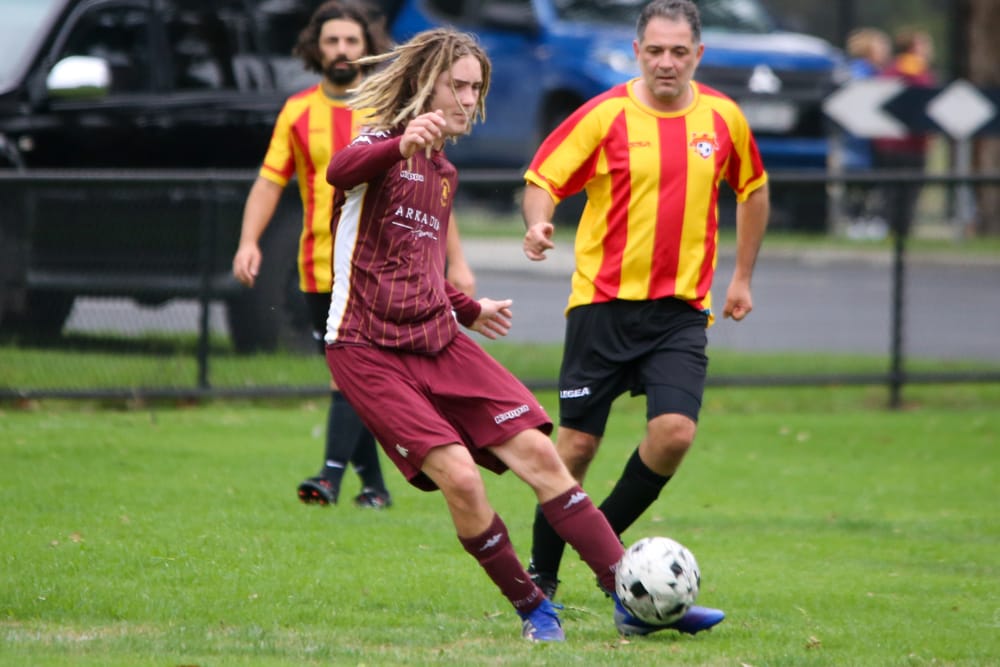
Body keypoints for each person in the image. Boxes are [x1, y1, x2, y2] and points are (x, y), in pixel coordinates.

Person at [323, 26, 723, 641]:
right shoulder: (380, 142)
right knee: (459, 475)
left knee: (542, 454)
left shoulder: (444, 173)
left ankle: (629, 594)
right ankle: (534, 608)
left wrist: (467, 307)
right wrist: (400, 142)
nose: (464, 99)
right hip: (366, 347)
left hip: (435, 337)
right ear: (424, 83)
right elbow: (339, 170)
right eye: (455, 85)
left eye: (474, 88)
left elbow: (417, 268)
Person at [521, 0, 769, 608]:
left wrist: (741, 278)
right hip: (601, 307)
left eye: (678, 52)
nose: (666, 62)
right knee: (574, 450)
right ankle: (543, 576)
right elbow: (542, 179)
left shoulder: (723, 118)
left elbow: (755, 191)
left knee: (674, 435)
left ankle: (604, 547)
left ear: (698, 56)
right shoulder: (604, 115)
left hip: (680, 311)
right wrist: (538, 225)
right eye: (655, 51)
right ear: (637, 52)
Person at [231, 0, 475, 509]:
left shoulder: (387, 115)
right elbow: (269, 181)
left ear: (368, 48)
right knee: (351, 376)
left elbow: (436, 195)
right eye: (331, 42)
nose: (342, 51)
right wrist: (248, 241)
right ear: (315, 50)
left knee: (356, 371)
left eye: (351, 41)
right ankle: (375, 486)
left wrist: (459, 263)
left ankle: (330, 475)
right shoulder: (298, 111)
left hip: (378, 274)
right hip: (319, 269)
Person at [872, 27, 937, 237]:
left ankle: (893, 232)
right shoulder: (917, 71)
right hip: (912, 145)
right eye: (924, 44)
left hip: (886, 144)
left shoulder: (889, 70)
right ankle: (902, 234)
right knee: (908, 194)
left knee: (890, 193)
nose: (928, 49)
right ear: (914, 47)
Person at [842, 27, 892, 239]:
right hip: (859, 144)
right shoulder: (859, 73)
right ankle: (857, 221)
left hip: (873, 143)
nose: (885, 50)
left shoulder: (878, 74)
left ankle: (869, 220)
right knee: (859, 185)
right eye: (880, 46)